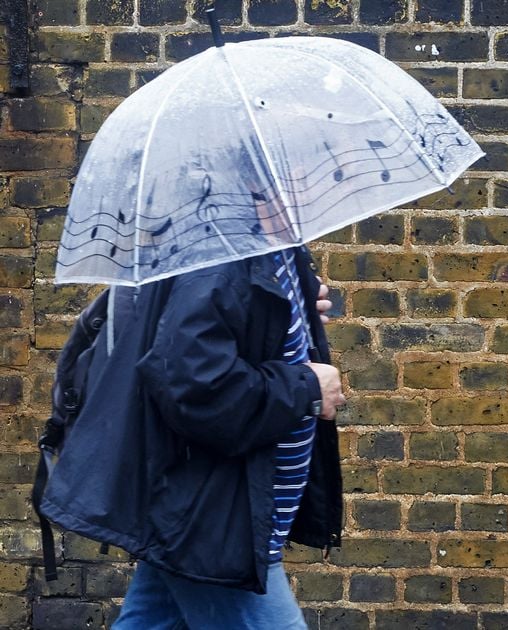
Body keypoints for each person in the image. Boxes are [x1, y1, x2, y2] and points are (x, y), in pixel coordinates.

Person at [40, 244, 344, 628]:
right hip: (210, 513)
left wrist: (290, 300)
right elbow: (194, 385)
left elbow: (232, 337)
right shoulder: (220, 254)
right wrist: (307, 388)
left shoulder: (266, 249)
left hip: (208, 504)